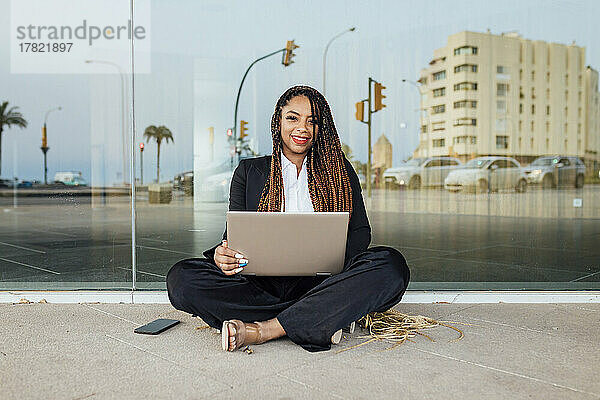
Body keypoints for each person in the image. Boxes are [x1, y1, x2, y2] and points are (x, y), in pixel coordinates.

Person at [167, 85, 410, 352]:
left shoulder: (340, 171)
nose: (302, 128)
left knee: (392, 266)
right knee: (182, 278)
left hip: (324, 282)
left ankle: (262, 329)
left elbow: (360, 233)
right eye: (293, 118)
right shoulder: (250, 171)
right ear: (278, 122)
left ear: (322, 128)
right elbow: (233, 237)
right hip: (260, 285)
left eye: (312, 121)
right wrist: (221, 256)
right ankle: (321, 316)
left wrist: (334, 264)